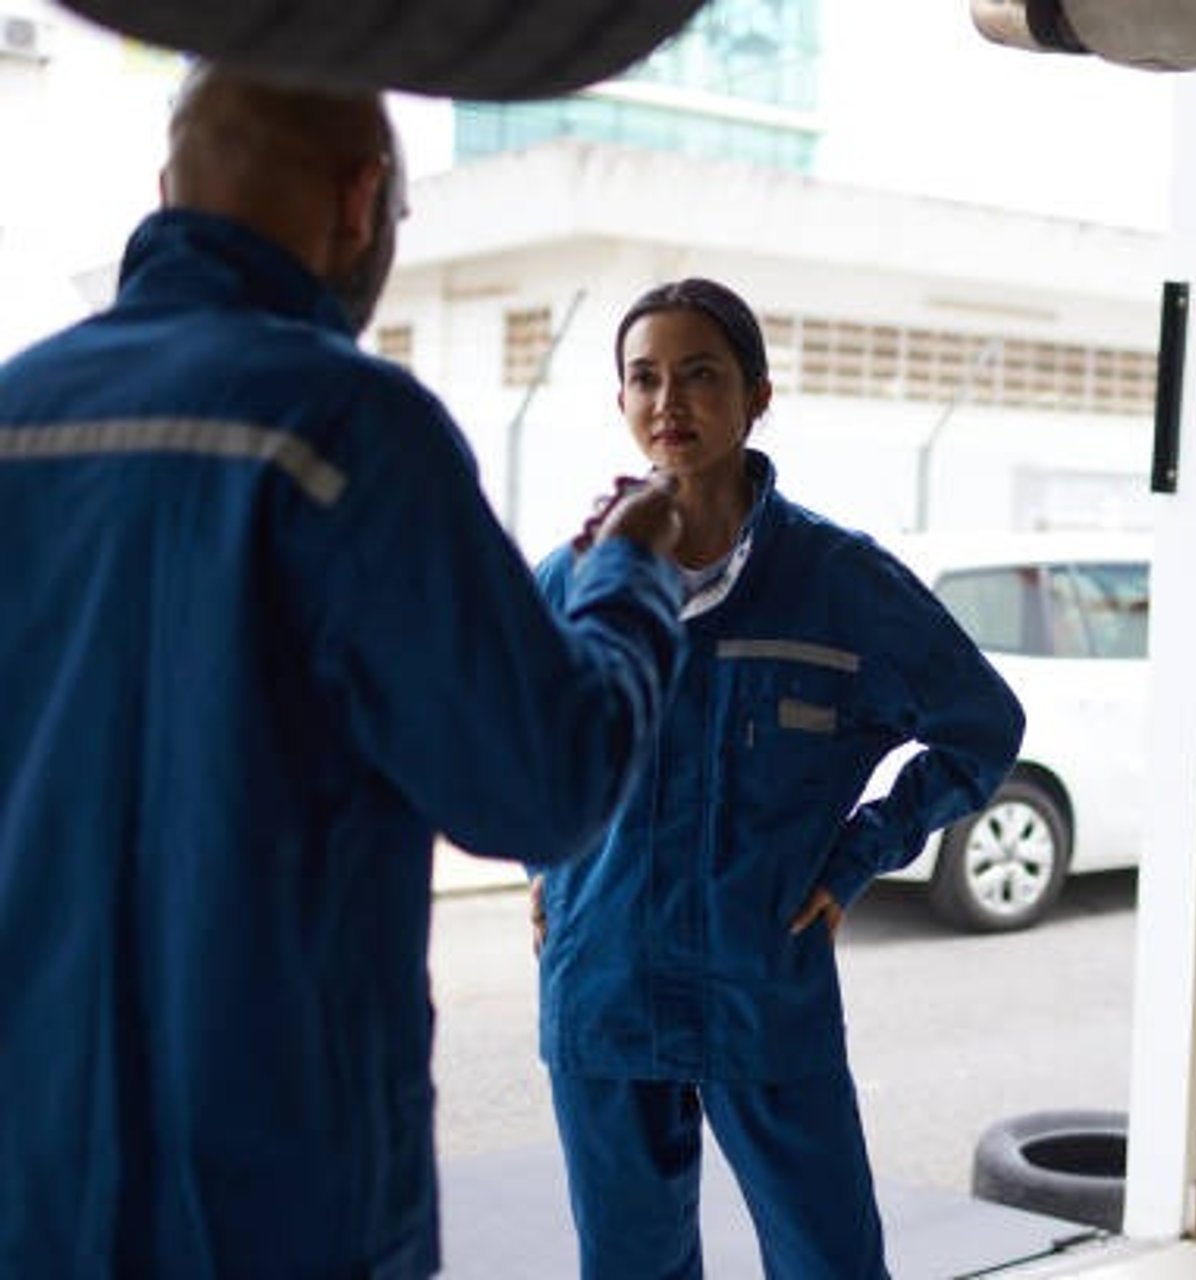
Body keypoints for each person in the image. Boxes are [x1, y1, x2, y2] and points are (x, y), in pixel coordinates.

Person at [0, 65, 685, 1277]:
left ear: (169, 193)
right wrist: (631, 580)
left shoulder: (18, 414)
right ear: (362, 200)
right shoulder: (349, 429)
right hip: (271, 1200)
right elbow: (541, 783)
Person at [529, 277, 1025, 1279]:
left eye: (701, 374)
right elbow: (528, 741)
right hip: (605, 984)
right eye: (645, 378)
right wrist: (548, 862)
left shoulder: (843, 584)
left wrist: (859, 855)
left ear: (758, 395)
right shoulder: (573, 578)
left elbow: (982, 727)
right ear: (622, 402)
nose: (670, 401)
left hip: (762, 987)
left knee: (830, 1260)